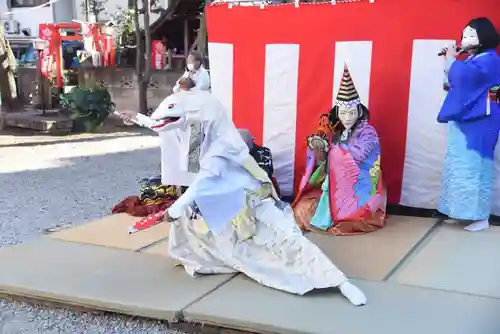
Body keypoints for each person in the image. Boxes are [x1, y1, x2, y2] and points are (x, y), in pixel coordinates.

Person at [152, 88, 367, 306]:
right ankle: (198, 256)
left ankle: (339, 281)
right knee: (192, 223)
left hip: (255, 199)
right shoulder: (203, 142)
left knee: (288, 237)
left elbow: (204, 182)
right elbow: (172, 132)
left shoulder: (227, 149)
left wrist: (173, 209)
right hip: (226, 209)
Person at [292, 64, 387, 236]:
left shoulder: (368, 132)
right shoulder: (336, 131)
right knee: (302, 210)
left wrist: (334, 150)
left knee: (355, 217)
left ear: (359, 111)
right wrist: (319, 149)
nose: (348, 118)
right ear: (337, 113)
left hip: (359, 188)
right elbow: (325, 162)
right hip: (333, 187)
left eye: (352, 113)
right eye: (343, 113)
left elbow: (359, 157)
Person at [437, 17, 500, 232]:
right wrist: (451, 64)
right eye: (464, 35)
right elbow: (453, 84)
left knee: (475, 167)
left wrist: (451, 62)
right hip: (465, 121)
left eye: (471, 35)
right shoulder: (471, 61)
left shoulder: (490, 60)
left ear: (485, 37)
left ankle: (480, 217)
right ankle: (459, 211)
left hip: (481, 121)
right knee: (458, 165)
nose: (465, 39)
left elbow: (466, 79)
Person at [118, 78, 200, 187]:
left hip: (190, 162)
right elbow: (160, 123)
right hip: (186, 162)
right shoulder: (192, 104)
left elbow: (158, 124)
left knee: (189, 186)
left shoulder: (183, 105)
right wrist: (135, 117)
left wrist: (136, 117)